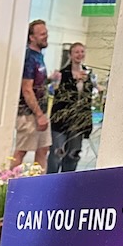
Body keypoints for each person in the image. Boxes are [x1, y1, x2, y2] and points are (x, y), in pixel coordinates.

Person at [47, 42, 98, 173]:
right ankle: (51, 180)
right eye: (76, 52)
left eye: (82, 52)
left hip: (77, 123)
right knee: (57, 154)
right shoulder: (61, 74)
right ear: (70, 55)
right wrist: (72, 80)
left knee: (73, 155)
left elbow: (88, 100)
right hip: (61, 121)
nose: (79, 54)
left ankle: (67, 181)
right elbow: (56, 92)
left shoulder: (89, 75)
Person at [11, 19, 51, 169]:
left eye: (46, 33)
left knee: (43, 149)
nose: (46, 36)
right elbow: (27, 89)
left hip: (41, 112)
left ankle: (40, 184)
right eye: (42, 34)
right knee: (21, 151)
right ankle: (7, 183)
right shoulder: (29, 57)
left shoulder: (39, 56)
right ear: (32, 37)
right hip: (29, 113)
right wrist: (39, 114)